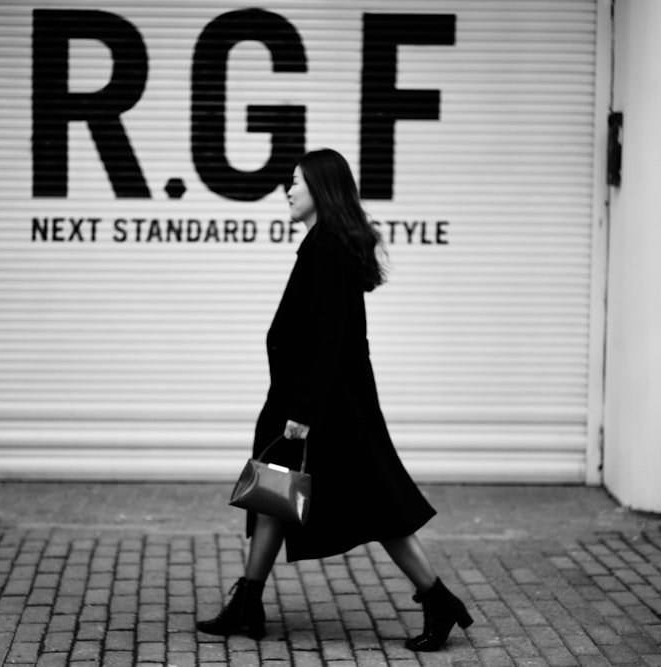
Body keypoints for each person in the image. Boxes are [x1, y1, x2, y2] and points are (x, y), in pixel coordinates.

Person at [196, 148, 472, 652]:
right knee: (273, 492)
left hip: (325, 407)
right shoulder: (325, 244)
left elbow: (327, 338)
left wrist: (303, 412)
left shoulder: (326, 250)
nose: (287, 190)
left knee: (378, 506)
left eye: (295, 182)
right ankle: (248, 599)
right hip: (313, 399)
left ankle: (438, 598)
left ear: (320, 189)